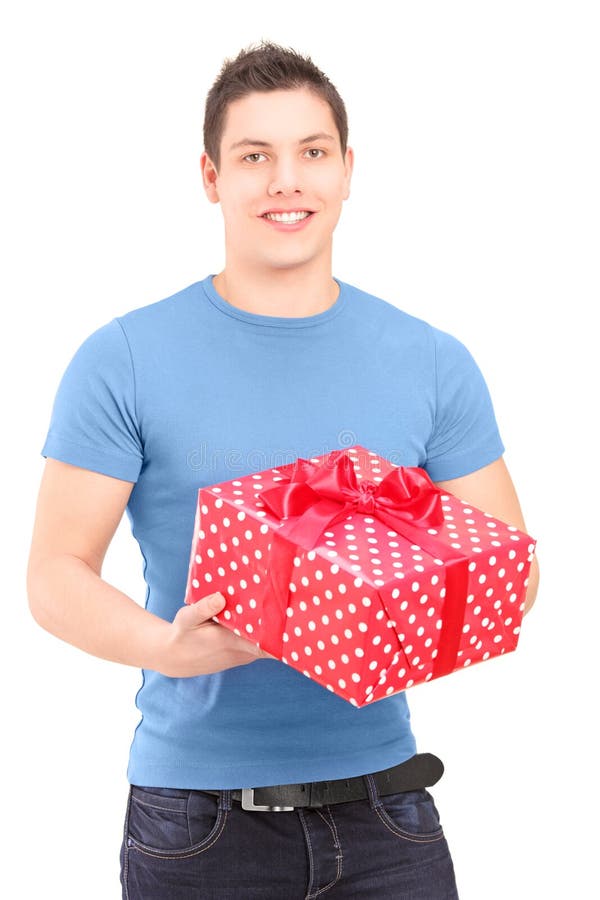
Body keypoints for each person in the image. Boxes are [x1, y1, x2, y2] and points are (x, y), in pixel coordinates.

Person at [27, 40, 539, 900]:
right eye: (254, 156)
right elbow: (53, 574)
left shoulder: (430, 361)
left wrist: (398, 593)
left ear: (346, 170)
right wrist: (169, 649)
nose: (285, 181)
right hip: (196, 820)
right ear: (210, 176)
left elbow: (510, 573)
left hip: (390, 811)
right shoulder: (124, 358)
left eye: (312, 152)